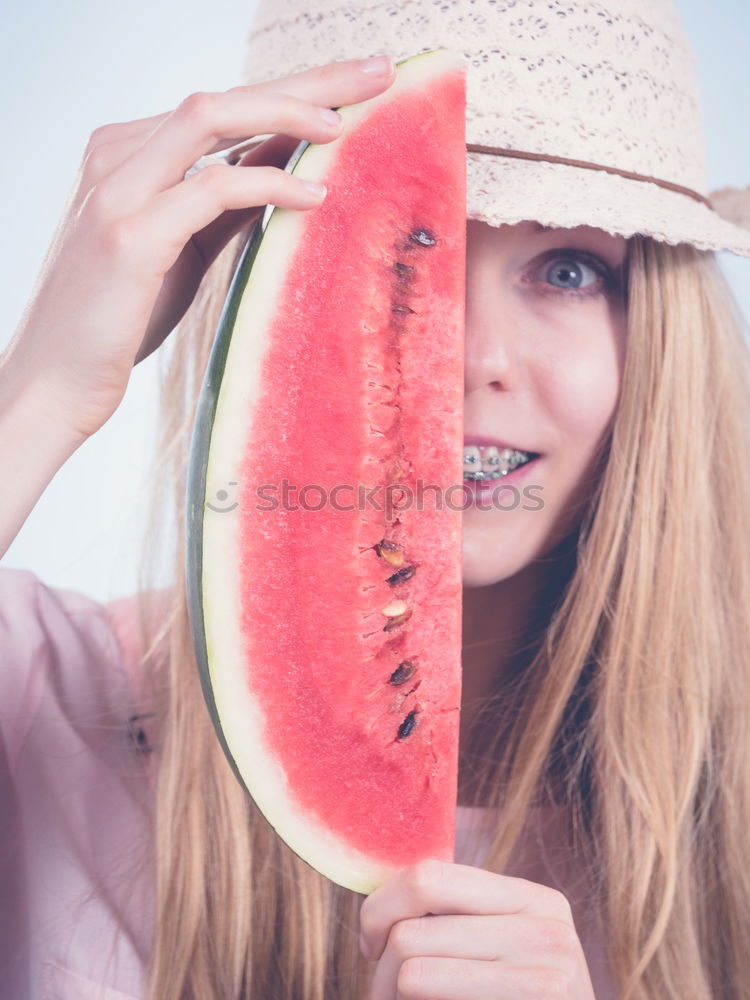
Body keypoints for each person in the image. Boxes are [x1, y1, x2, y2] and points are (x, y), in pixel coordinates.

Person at [2, 0, 750, 996]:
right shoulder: (42, 699)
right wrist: (41, 390)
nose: (468, 355)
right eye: (387, 265)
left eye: (568, 269)